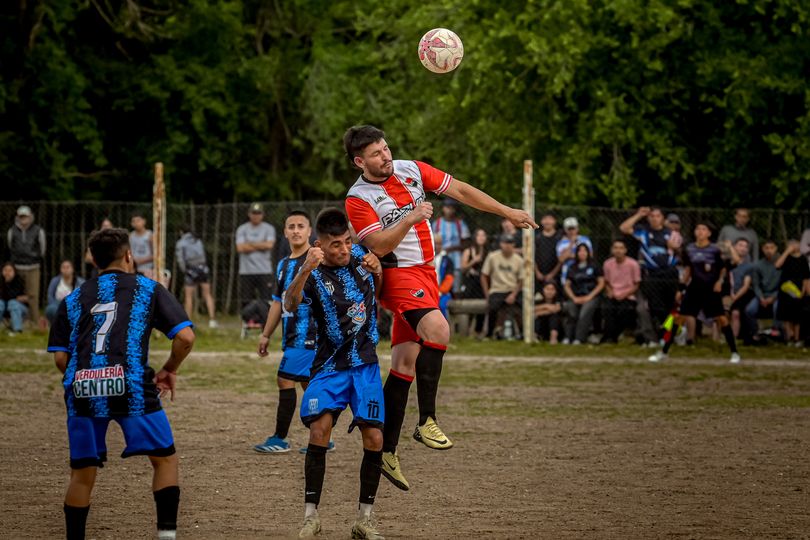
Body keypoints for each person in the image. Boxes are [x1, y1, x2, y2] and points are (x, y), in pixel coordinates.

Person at [343, 125, 536, 492]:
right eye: (375, 154)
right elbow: (379, 247)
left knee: (402, 365)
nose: (385, 157)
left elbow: (460, 190)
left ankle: (385, 448)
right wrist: (410, 218)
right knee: (439, 330)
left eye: (386, 149)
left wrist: (505, 211)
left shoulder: (412, 169)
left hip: (428, 275)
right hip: (399, 277)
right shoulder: (358, 198)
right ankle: (426, 420)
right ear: (359, 161)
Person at [46, 228, 195, 540]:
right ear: (129, 256)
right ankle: (166, 536)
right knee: (164, 459)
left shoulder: (74, 297)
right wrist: (169, 368)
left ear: (93, 261)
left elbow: (61, 358)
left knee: (82, 473)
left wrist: (82, 378)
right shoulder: (148, 289)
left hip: (82, 386)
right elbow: (185, 337)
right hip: (130, 384)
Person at [282, 209, 385, 540]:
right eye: (335, 245)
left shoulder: (360, 255)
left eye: (346, 242)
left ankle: (364, 520)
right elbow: (289, 303)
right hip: (329, 365)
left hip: (365, 363)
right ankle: (311, 517)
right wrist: (304, 269)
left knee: (375, 438)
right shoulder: (311, 271)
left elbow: (382, 278)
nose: (343, 250)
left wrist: (378, 268)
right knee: (319, 431)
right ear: (319, 245)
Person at [254, 211, 322, 454]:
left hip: (309, 335)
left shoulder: (315, 259)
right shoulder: (283, 264)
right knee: (308, 384)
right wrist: (265, 334)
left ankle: (280, 438)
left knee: (285, 379)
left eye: (300, 226)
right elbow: (277, 302)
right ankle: (322, 437)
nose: (295, 230)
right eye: (291, 226)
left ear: (309, 231)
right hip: (291, 335)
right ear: (285, 232)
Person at [649, 222, 741, 363]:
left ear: (709, 233)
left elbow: (723, 268)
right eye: (698, 228)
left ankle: (734, 353)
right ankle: (664, 351)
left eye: (704, 229)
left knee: (722, 319)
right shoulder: (689, 249)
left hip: (710, 290)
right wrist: (681, 288)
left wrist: (719, 281)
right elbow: (688, 270)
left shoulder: (715, 250)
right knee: (679, 318)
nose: (700, 231)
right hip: (694, 289)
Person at [619, 206, 680, 346]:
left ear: (662, 218)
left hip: (669, 273)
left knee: (670, 306)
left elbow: (680, 250)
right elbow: (624, 228)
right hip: (652, 273)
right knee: (655, 306)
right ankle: (671, 330)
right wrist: (638, 214)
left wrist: (673, 247)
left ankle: (670, 333)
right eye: (651, 216)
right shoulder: (643, 232)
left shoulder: (671, 233)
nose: (654, 218)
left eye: (657, 216)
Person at [7, 205, 46, 323]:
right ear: (17, 217)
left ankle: (34, 322)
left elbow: (42, 249)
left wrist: (34, 259)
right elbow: (10, 246)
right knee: (16, 295)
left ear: (30, 217)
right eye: (21, 216)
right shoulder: (11, 231)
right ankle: (17, 321)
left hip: (33, 267)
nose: (23, 219)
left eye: (25, 216)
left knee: (33, 296)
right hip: (17, 267)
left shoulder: (38, 231)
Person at [481, 235, 524, 339]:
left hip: (513, 290)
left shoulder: (518, 259)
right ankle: (490, 333)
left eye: (510, 243)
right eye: (505, 243)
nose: (507, 246)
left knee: (520, 308)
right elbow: (484, 275)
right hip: (497, 290)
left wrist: (514, 294)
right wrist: (487, 294)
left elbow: (522, 280)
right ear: (500, 244)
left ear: (514, 245)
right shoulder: (492, 256)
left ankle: (523, 334)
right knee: (493, 308)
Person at [174, 224, 218, 329]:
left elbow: (180, 259)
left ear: (181, 232)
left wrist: (184, 270)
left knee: (189, 296)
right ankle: (212, 319)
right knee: (207, 294)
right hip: (203, 268)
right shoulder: (197, 240)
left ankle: (187, 321)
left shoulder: (181, 243)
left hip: (190, 269)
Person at [235, 203, 276, 309]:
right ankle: (247, 323)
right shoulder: (242, 229)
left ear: (262, 214)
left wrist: (249, 244)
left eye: (258, 213)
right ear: (249, 214)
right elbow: (240, 248)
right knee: (245, 299)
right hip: (246, 271)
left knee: (266, 299)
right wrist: (261, 244)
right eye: (254, 213)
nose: (256, 215)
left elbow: (269, 245)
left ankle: (266, 321)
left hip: (264, 270)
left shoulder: (269, 228)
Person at [562, 244, 604, 344]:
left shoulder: (595, 266)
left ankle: (579, 338)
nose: (582, 253)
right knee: (571, 310)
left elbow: (601, 283)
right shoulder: (572, 267)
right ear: (576, 253)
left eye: (585, 251)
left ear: (588, 253)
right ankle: (568, 337)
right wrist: (573, 297)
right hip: (576, 296)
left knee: (584, 313)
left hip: (591, 296)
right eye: (580, 251)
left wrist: (589, 297)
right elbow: (567, 285)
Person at [601, 239, 641, 343]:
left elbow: (636, 284)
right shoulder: (607, 264)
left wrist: (625, 294)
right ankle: (609, 337)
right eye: (615, 248)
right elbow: (606, 282)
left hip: (628, 295)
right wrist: (610, 291)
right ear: (612, 250)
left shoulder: (633, 264)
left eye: (621, 248)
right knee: (607, 309)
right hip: (613, 294)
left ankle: (614, 336)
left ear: (625, 250)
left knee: (624, 311)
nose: (618, 250)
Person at [744, 239, 781, 343]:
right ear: (762, 249)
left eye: (772, 248)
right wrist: (761, 298)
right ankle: (755, 334)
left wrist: (773, 297)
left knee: (777, 308)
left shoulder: (781, 264)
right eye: (766, 248)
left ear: (776, 249)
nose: (769, 250)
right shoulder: (758, 265)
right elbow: (756, 285)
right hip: (762, 295)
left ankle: (776, 333)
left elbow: (783, 285)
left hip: (777, 295)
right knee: (749, 310)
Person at [774, 240, 810, 346]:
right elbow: (777, 265)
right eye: (791, 245)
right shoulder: (786, 258)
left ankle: (797, 338)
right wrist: (786, 252)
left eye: (795, 244)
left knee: (797, 316)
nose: (793, 247)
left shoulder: (803, 259)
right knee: (786, 316)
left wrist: (803, 291)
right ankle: (789, 337)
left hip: (798, 290)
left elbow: (806, 277)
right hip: (785, 290)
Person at [431, 199, 470, 292]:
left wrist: (452, 248)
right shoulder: (437, 223)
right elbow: (432, 240)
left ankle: (456, 302)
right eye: (447, 207)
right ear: (443, 208)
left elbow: (467, 242)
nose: (450, 210)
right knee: (439, 280)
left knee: (456, 284)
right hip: (440, 257)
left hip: (456, 258)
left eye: (452, 208)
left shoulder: (460, 224)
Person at [460, 228, 489, 337]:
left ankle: (478, 332)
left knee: (482, 308)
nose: (481, 238)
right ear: (475, 237)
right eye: (479, 235)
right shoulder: (469, 251)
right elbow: (463, 268)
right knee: (469, 308)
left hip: (484, 283)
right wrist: (473, 261)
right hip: (472, 282)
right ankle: (466, 331)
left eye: (483, 235)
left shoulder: (488, 251)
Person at [726, 238, 755, 340]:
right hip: (728, 293)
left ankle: (734, 338)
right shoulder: (727, 263)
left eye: (745, 246)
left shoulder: (749, 266)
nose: (743, 248)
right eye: (740, 245)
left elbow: (746, 286)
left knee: (735, 313)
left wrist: (735, 297)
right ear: (734, 247)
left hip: (744, 293)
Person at [45, 260, 85, 325]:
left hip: (73, 305)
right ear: (60, 269)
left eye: (68, 267)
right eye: (63, 267)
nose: (65, 270)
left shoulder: (80, 282)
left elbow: (84, 296)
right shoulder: (55, 281)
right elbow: (50, 295)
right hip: (58, 304)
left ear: (72, 269)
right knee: (50, 309)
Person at [0, 262, 29, 335]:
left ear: (14, 272)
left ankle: (17, 330)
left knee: (12, 303)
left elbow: (12, 295)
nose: (7, 273)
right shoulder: (1, 281)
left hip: (20, 308)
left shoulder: (18, 281)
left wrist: (7, 283)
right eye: (5, 270)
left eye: (10, 270)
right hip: (4, 307)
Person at [534, 213, 562, 286]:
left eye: (550, 219)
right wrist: (537, 272)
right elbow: (531, 255)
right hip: (538, 274)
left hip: (556, 274)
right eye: (545, 219)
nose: (547, 221)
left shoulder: (560, 237)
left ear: (555, 221)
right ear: (541, 221)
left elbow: (562, 258)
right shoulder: (537, 237)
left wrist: (552, 274)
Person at [433, 233, 455, 319]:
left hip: (443, 292)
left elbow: (449, 278)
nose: (437, 246)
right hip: (428, 291)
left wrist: (441, 291)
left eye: (439, 244)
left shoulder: (447, 260)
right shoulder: (425, 258)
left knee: (441, 306)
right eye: (435, 243)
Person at [129, 213, 154, 278]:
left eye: (138, 221)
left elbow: (155, 255)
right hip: (133, 270)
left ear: (144, 221)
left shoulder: (150, 235)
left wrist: (140, 261)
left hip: (148, 270)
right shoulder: (131, 236)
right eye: (133, 221)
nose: (136, 223)